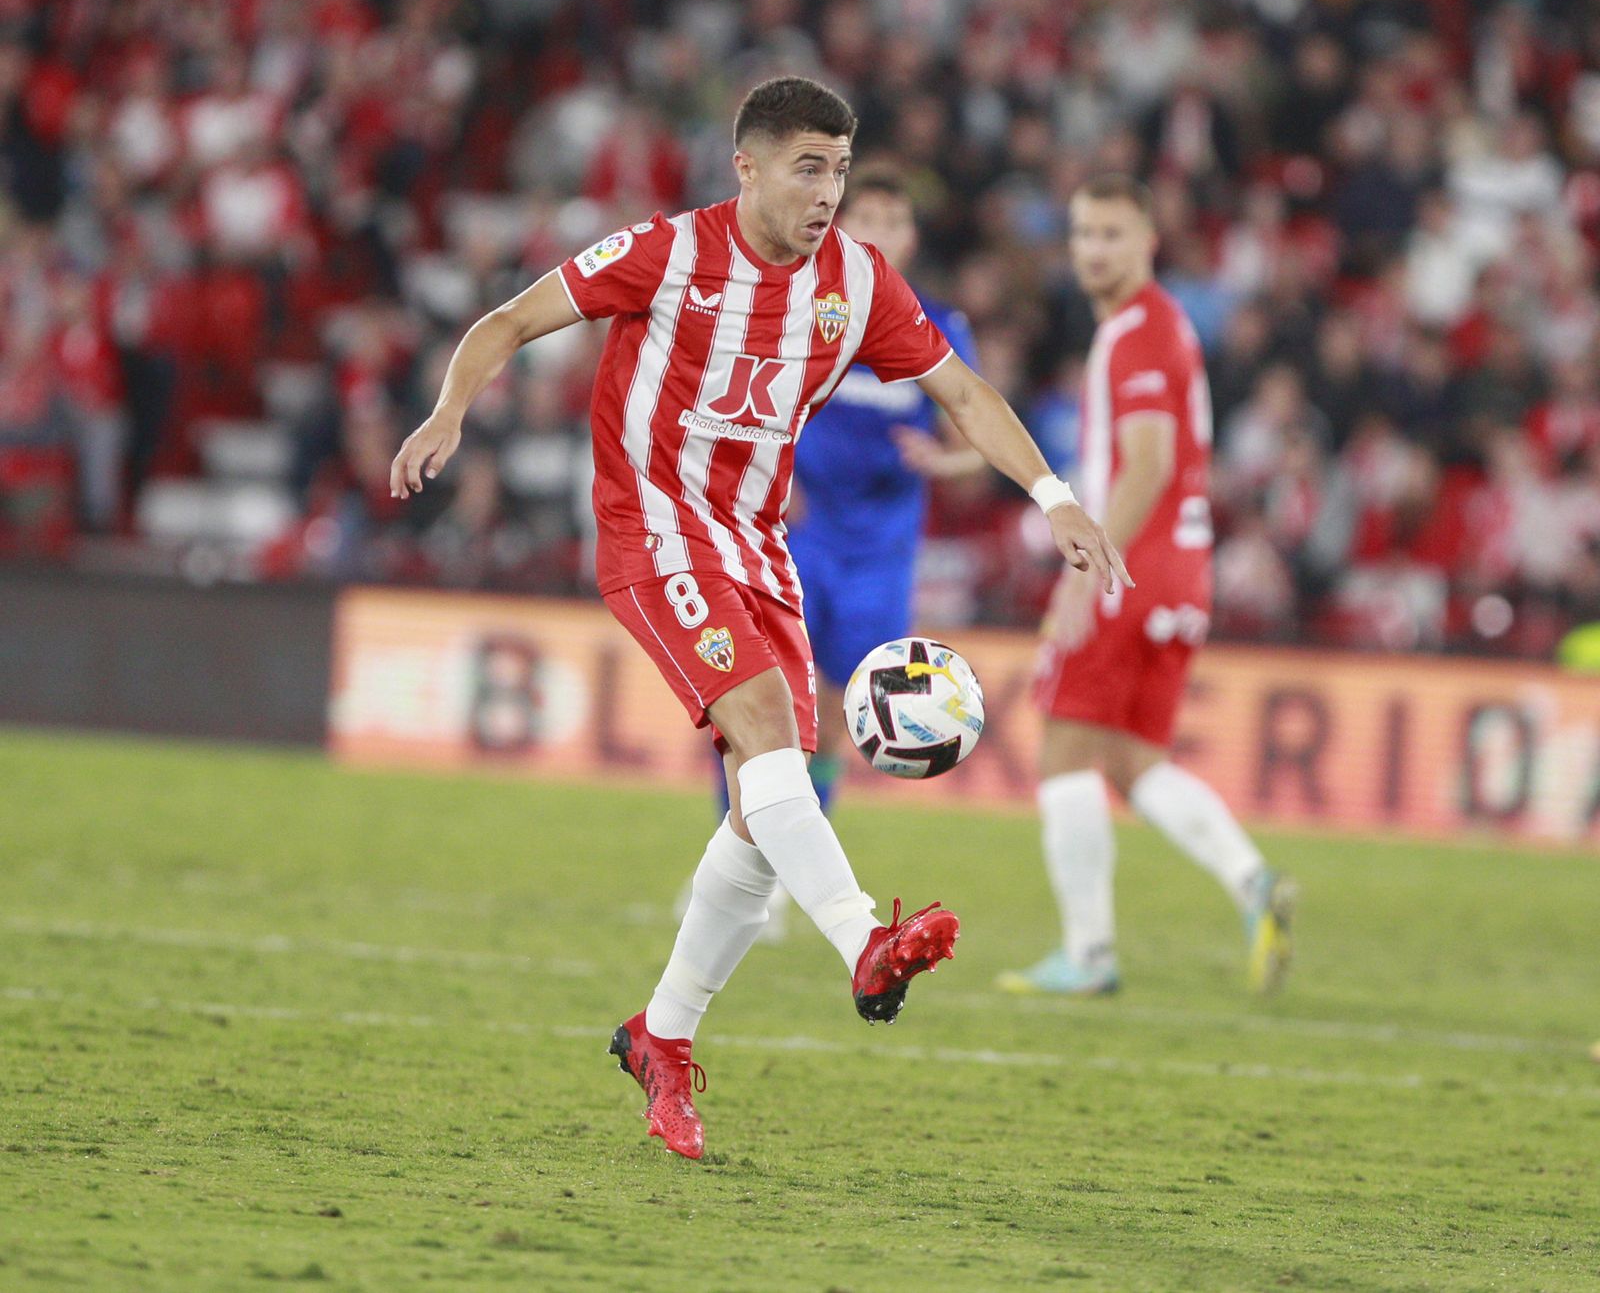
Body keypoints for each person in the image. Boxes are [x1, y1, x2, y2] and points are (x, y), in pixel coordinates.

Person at [391, 76, 1130, 1160]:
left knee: (762, 797)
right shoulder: (665, 253)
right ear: (746, 167)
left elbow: (963, 394)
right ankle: (862, 943)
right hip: (654, 530)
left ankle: (663, 1035)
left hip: (756, 545)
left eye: (838, 167)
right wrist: (449, 409)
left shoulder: (859, 284)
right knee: (764, 735)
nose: (828, 190)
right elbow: (510, 319)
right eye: (807, 166)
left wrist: (1054, 496)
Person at [999, 174, 1295, 999]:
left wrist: (1084, 573)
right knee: (1132, 761)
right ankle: (1251, 882)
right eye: (1084, 234)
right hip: (1182, 571)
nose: (1094, 250)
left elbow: (1151, 460)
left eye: (1112, 235)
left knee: (1062, 749)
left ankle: (1088, 954)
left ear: (1147, 242)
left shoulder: (1137, 330)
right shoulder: (1158, 328)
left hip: (1135, 567)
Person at [695, 165, 981, 942]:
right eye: (872, 218)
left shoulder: (937, 324)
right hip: (797, 535)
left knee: (834, 714)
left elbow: (974, 437)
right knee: (761, 706)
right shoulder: (807, 305)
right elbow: (742, 397)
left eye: (897, 219)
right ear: (850, 229)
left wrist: (941, 462)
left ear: (912, 236)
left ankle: (779, 871)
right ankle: (753, 879)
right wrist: (767, 474)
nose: (884, 232)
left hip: (881, 549)